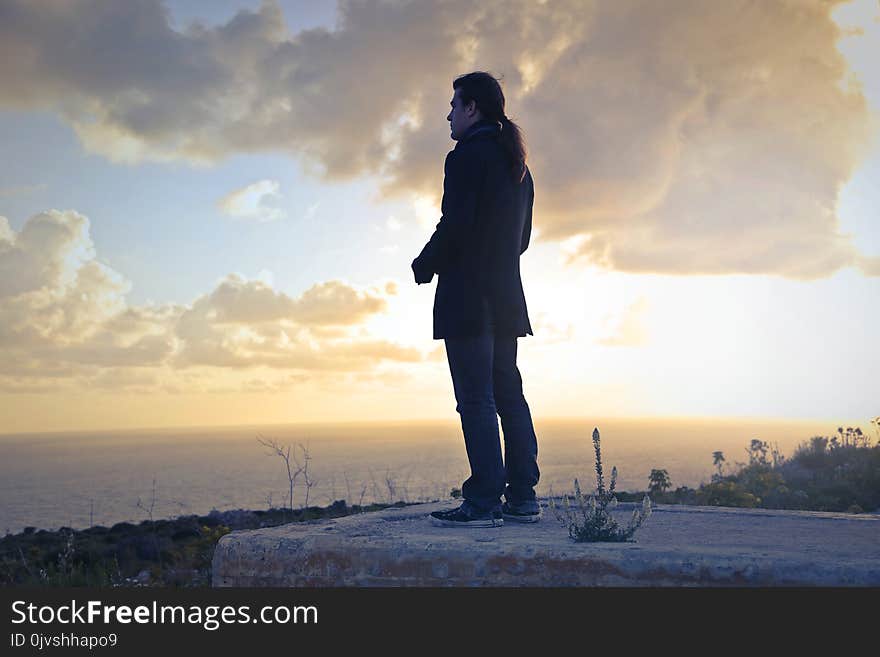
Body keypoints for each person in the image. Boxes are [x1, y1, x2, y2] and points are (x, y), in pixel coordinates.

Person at [411, 71, 541, 528]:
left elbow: (457, 223)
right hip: (506, 297)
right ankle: (523, 496)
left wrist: (424, 263)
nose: (448, 114)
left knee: (477, 400)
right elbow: (521, 240)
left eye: (453, 105)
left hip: (469, 298)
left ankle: (484, 500)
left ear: (472, 108)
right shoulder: (517, 165)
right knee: (509, 395)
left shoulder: (465, 156)